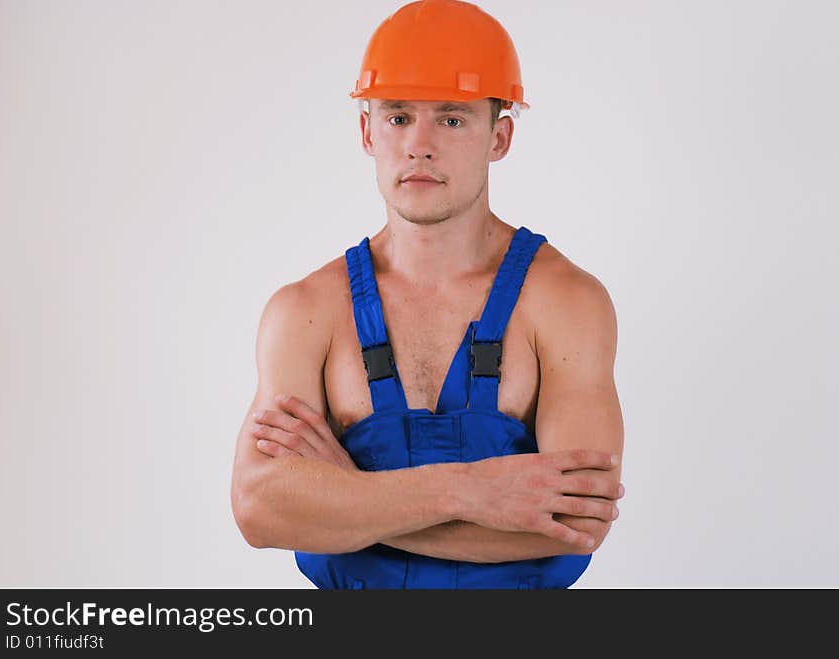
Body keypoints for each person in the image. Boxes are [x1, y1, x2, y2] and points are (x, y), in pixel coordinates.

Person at [230, 0, 625, 589]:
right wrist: (471, 492)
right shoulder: (306, 312)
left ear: (500, 136)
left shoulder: (567, 303)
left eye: (451, 118)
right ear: (367, 131)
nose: (419, 145)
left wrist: (348, 498)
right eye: (396, 117)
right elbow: (260, 510)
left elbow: (573, 522)